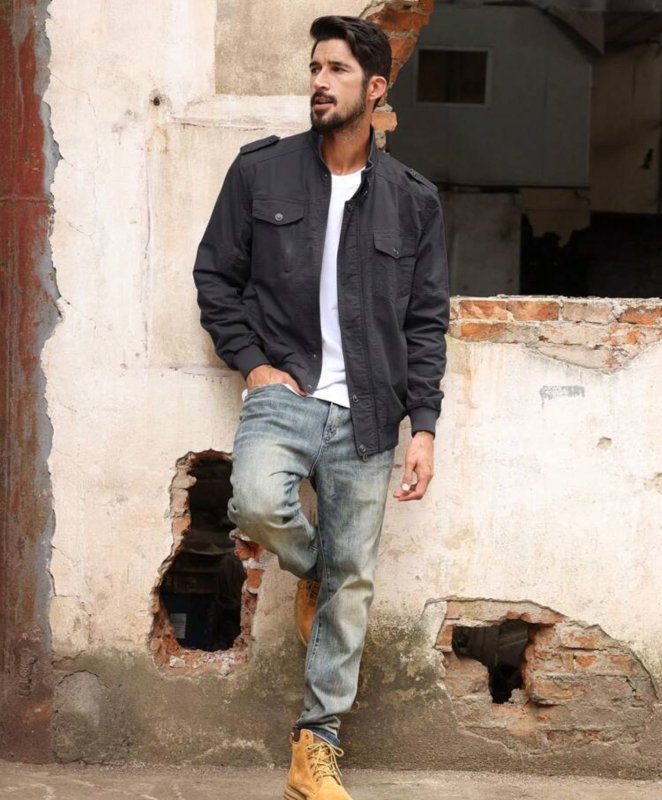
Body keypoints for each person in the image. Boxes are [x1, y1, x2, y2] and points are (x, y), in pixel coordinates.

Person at [193, 15, 449, 800]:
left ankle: (315, 750)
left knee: (355, 584)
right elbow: (215, 277)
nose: (319, 81)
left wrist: (424, 428)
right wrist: (255, 364)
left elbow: (426, 321)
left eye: (336, 70)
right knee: (256, 503)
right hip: (287, 395)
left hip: (371, 413)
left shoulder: (413, 200)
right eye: (315, 68)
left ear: (375, 89)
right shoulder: (261, 173)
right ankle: (317, 571)